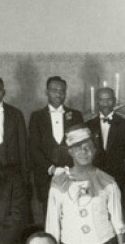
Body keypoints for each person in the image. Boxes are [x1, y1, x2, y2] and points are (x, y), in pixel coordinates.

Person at [45, 125, 125, 244]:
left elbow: (118, 222)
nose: (84, 151)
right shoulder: (58, 183)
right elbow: (53, 225)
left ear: (95, 150)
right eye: (78, 147)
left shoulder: (108, 182)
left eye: (88, 147)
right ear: (70, 152)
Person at [28, 76, 84, 217]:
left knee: (73, 213)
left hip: (72, 175)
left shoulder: (76, 115)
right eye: (54, 90)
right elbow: (33, 148)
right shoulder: (36, 117)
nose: (59, 94)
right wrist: (51, 168)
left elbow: (81, 144)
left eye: (62, 90)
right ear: (46, 92)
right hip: (46, 176)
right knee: (50, 215)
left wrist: (73, 169)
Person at [86, 86, 125, 192]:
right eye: (102, 100)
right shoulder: (89, 125)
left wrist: (120, 176)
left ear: (114, 101)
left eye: (109, 99)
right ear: (97, 102)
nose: (105, 103)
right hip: (94, 179)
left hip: (118, 179)